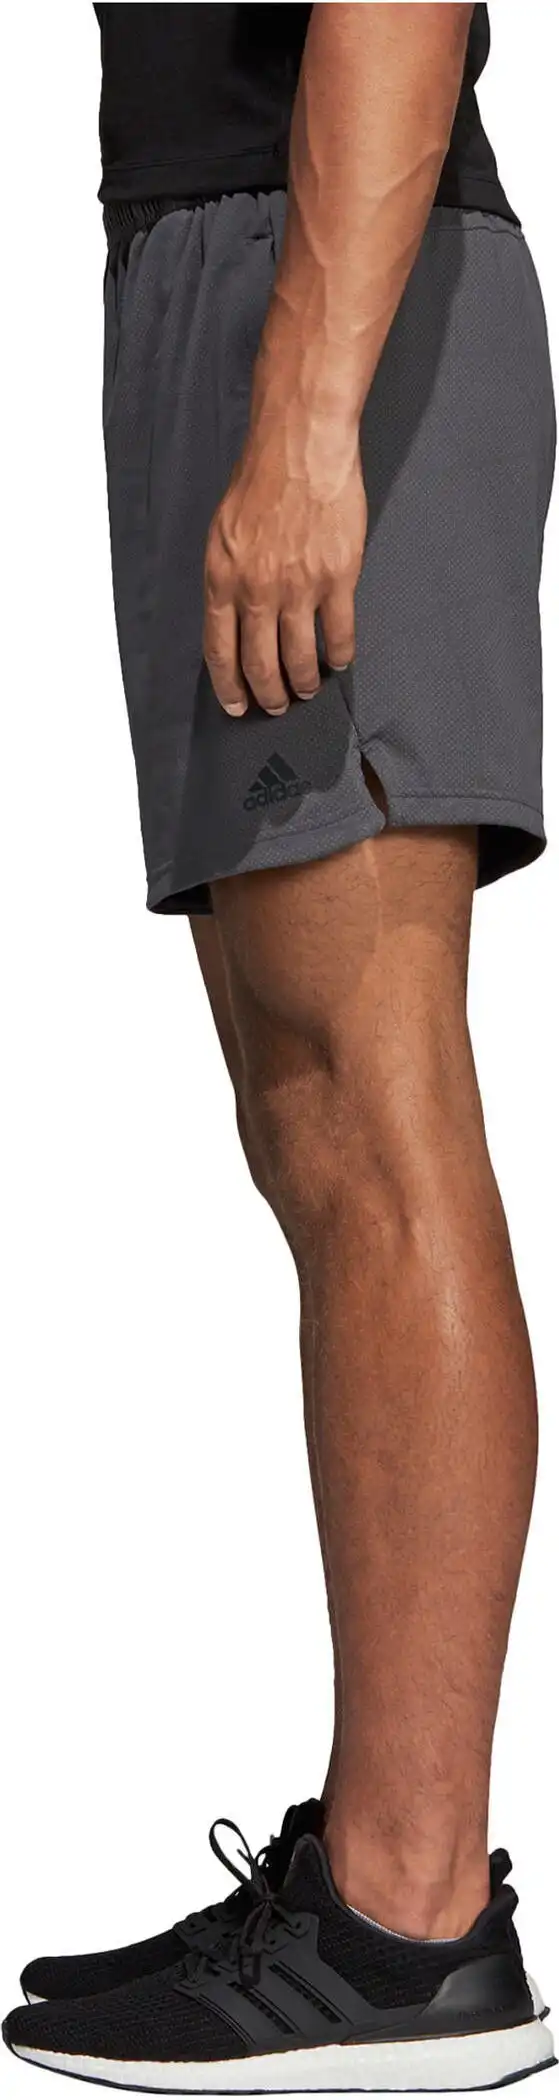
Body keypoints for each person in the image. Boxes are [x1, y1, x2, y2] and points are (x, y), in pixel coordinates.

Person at [3, 3, 556, 2091]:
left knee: (376, 1118)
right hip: (224, 270)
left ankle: (411, 1921)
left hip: (331, 291)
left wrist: (311, 409)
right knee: (313, 1123)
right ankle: (383, 1881)